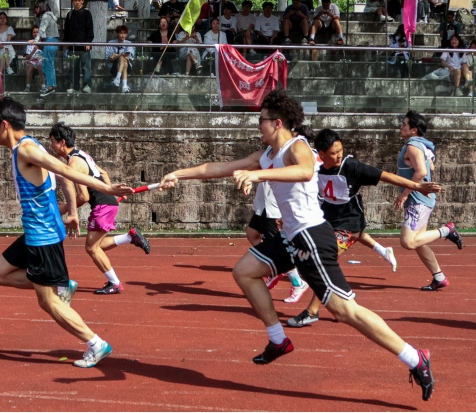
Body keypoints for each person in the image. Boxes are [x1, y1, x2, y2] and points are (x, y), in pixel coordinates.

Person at [159, 89, 435, 402]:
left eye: (261, 120)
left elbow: (305, 170)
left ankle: (415, 358)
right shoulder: (266, 155)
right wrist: (177, 174)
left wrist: (258, 175)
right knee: (245, 271)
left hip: (313, 236)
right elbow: (218, 167)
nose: (258, 126)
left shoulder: (297, 146)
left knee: (344, 311)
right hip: (291, 236)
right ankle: (278, 340)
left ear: (277, 123)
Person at [0, 97, 134, 367]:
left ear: (4, 124)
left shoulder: (27, 151)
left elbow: (66, 171)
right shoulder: (27, 146)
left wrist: (107, 189)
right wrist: (71, 214)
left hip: (42, 236)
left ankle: (96, 343)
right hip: (37, 230)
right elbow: (63, 178)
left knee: (48, 302)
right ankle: (59, 284)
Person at [287, 128, 441, 328]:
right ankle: (344, 301)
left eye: (340, 150)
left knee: (324, 262)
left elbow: (386, 176)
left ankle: (312, 311)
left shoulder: (351, 167)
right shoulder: (313, 167)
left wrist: (416, 186)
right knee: (309, 260)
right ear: (321, 154)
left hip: (350, 224)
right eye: (334, 153)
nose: (339, 155)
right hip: (325, 222)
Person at [49, 122, 151, 295]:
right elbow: (103, 173)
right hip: (107, 203)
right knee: (96, 244)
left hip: (102, 205)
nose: (51, 145)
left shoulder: (74, 164)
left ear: (62, 142)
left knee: (91, 248)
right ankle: (129, 237)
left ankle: (115, 283)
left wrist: (63, 209)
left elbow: (83, 196)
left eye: (52, 141)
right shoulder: (83, 155)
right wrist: (111, 191)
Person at [395, 110, 463, 291]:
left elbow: (422, 172)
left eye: (404, 124)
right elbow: (430, 165)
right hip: (421, 198)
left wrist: (404, 194)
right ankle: (439, 277)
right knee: (419, 242)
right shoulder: (422, 146)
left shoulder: (412, 145)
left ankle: (446, 230)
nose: (401, 127)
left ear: (414, 129)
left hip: (418, 200)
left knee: (408, 242)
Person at [247, 180, 309, 304]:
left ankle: (298, 283)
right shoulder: (264, 159)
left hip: (275, 206)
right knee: (252, 234)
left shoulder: (285, 160)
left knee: (277, 249)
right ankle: (274, 269)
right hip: (263, 203)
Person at [63, 0, 94, 94]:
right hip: (73, 47)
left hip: (84, 46)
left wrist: (88, 42)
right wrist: (66, 42)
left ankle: (87, 85)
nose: (77, 2)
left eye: (79, 0)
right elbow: (66, 30)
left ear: (82, 1)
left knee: (86, 67)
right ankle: (74, 86)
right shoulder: (70, 14)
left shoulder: (87, 13)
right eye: (75, 0)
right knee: (73, 67)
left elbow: (90, 28)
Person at [32, 0, 60, 97]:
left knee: (48, 65)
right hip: (50, 41)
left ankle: (50, 86)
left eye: (37, 8)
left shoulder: (46, 16)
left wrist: (35, 40)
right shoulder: (48, 16)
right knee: (46, 64)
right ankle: (50, 85)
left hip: (50, 41)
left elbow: (41, 29)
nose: (36, 10)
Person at [106, 25, 135, 93]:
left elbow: (129, 57)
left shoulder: (129, 43)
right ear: (117, 33)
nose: (123, 35)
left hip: (128, 66)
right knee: (122, 59)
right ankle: (124, 86)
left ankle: (117, 79)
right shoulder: (111, 43)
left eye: (125, 33)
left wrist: (116, 55)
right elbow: (110, 58)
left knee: (123, 59)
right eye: (121, 33)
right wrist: (120, 55)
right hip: (114, 67)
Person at [24, 25, 45, 93]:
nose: (35, 34)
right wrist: (33, 51)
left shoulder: (44, 43)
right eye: (34, 32)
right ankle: (27, 87)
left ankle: (43, 86)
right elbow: (27, 57)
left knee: (39, 65)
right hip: (32, 61)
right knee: (30, 67)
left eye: (37, 32)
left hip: (41, 61)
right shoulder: (29, 43)